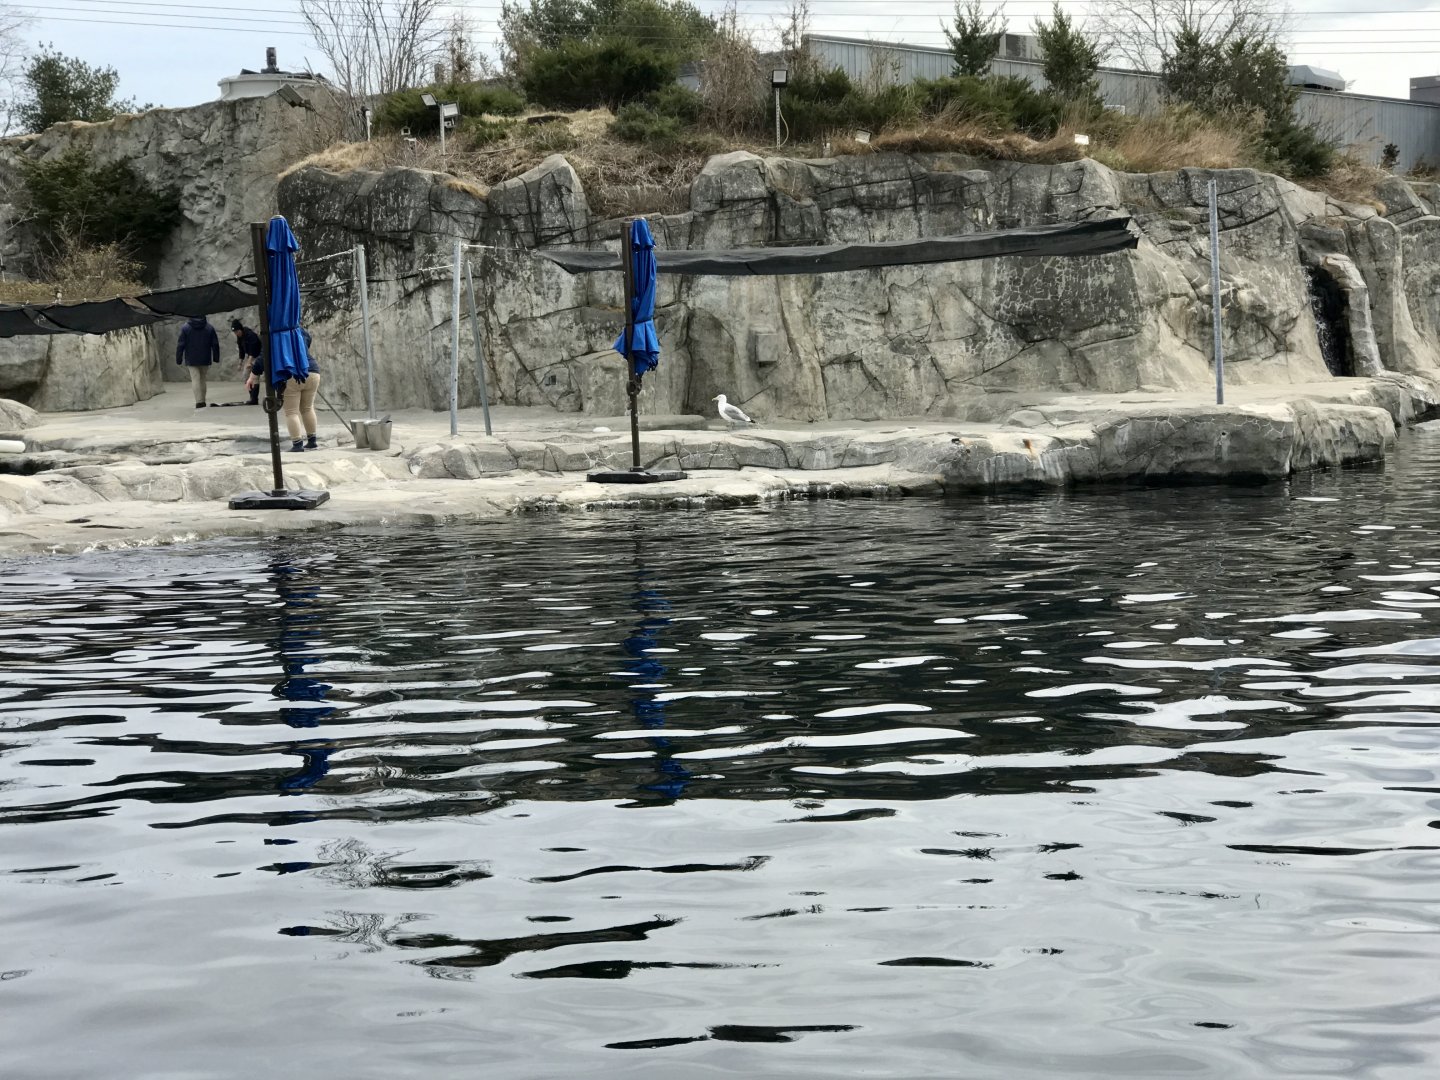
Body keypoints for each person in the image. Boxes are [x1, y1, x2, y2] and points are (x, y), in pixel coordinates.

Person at [251, 327, 321, 451]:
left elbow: (263, 357)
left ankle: (297, 444)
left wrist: (253, 374)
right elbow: (308, 341)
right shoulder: (298, 328)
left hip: (290, 373)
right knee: (307, 408)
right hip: (312, 370)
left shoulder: (275, 332)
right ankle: (312, 442)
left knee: (291, 412)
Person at [175, 315, 220, 409]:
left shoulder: (185, 328)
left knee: (195, 379)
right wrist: (216, 357)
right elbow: (215, 343)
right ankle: (203, 400)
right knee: (202, 379)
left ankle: (199, 402)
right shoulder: (209, 327)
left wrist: (178, 359)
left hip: (191, 358)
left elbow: (181, 344)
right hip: (205, 357)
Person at [231, 319, 262, 405]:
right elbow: (241, 351)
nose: (237, 334)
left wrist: (249, 362)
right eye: (235, 332)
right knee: (246, 376)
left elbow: (253, 349)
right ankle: (252, 396)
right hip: (250, 356)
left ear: (240, 329)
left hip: (258, 355)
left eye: (237, 331)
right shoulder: (240, 338)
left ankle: (254, 399)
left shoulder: (250, 335)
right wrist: (240, 363)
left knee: (254, 376)